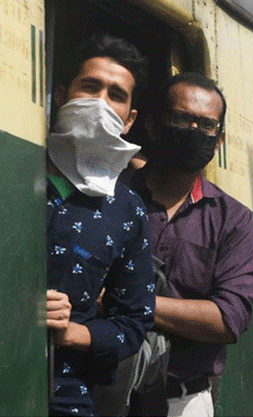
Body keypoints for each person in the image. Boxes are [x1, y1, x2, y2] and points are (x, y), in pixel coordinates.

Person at [127, 72, 253, 416]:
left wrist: (131, 303)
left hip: (184, 402)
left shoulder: (233, 220)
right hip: (102, 392)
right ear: (153, 125)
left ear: (219, 141)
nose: (193, 131)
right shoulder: (114, 195)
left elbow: (229, 318)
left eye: (206, 125)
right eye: (180, 119)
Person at [45, 34, 154, 416]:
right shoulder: (14, 170)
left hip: (66, 399)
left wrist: (72, 332)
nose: (100, 102)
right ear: (62, 96)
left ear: (129, 120)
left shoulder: (127, 210)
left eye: (115, 95)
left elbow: (135, 322)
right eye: (89, 87)